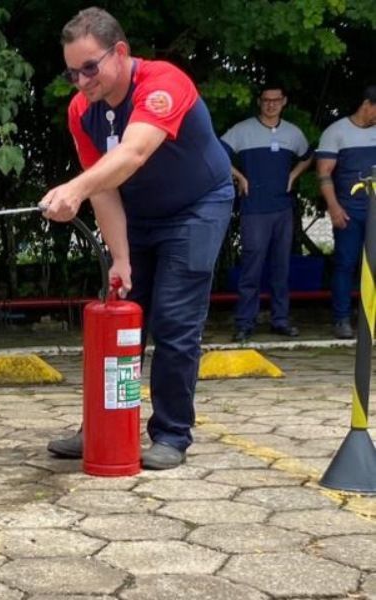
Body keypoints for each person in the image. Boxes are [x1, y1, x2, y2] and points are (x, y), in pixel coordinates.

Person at [40, 7, 234, 469]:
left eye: (90, 68)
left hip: (196, 208)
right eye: (72, 73)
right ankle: (102, 428)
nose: (82, 81)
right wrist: (120, 259)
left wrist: (74, 188)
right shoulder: (81, 111)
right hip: (137, 215)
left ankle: (171, 434)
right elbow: (105, 188)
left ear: (120, 52)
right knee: (120, 315)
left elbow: (133, 152)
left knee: (173, 320)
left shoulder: (163, 83)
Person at [221, 85, 312, 343]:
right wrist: (238, 177)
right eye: (266, 100)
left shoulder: (293, 133)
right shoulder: (242, 130)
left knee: (281, 267)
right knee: (251, 267)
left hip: (283, 208)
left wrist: (293, 175)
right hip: (254, 210)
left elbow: (308, 157)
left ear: (284, 102)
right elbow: (217, 153)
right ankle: (244, 323)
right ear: (259, 102)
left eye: (276, 100)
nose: (271, 105)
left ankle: (280, 320)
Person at [316, 85, 376, 339]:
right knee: (345, 264)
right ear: (367, 104)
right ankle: (341, 319)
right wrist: (334, 207)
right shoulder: (336, 132)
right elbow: (323, 173)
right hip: (349, 212)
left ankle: (371, 318)